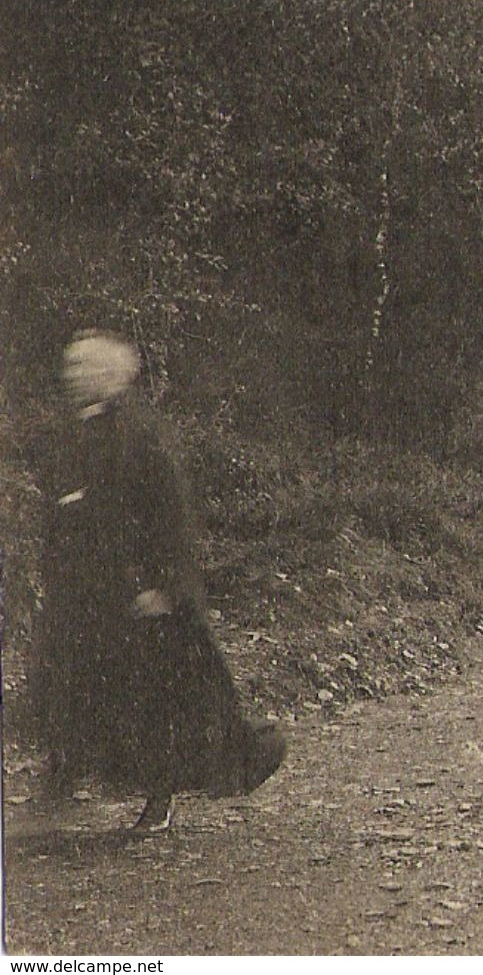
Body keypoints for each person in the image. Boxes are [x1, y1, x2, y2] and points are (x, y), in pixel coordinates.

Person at [32, 330, 286, 832]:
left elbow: (169, 517)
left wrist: (163, 586)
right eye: (71, 364)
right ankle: (62, 785)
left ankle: (159, 797)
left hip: (137, 593)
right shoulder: (69, 434)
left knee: (154, 701)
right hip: (87, 593)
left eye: (85, 365)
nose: (73, 373)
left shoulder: (139, 436)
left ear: (110, 376)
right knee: (74, 686)